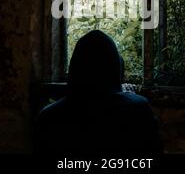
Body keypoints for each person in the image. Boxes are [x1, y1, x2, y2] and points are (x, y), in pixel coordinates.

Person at [34, 30, 162, 155]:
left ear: (75, 67)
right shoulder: (139, 111)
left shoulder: (48, 118)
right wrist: (130, 98)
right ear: (115, 68)